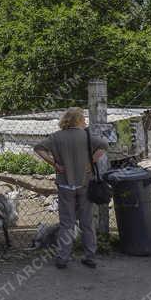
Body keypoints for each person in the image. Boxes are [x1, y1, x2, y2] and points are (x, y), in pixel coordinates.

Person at [34, 107, 108, 269]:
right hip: (85, 184)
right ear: (79, 120)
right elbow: (103, 145)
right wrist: (91, 162)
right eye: (83, 118)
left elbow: (38, 148)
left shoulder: (56, 137)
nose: (85, 121)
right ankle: (90, 256)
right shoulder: (87, 136)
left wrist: (54, 164)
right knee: (87, 222)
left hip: (65, 185)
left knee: (67, 223)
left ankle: (63, 257)